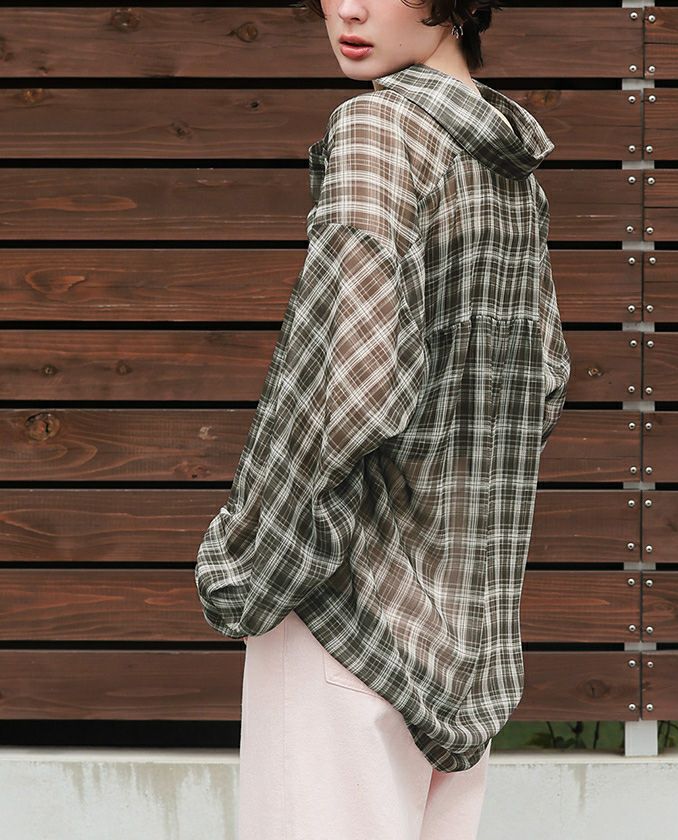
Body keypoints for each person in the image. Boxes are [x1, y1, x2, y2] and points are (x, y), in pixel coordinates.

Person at [194, 0, 571, 837]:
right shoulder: (508, 166)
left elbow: (342, 389)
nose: (349, 9)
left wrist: (244, 563)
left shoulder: (379, 131)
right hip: (462, 635)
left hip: (347, 615)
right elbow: (542, 383)